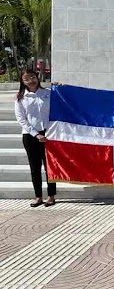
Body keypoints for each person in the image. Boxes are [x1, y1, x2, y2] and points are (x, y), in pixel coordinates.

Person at [14, 70, 56, 207]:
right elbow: (21, 119)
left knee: (49, 166)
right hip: (30, 135)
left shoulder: (49, 93)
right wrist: (36, 134)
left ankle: (51, 196)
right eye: (27, 79)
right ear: (23, 82)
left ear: (37, 78)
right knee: (35, 167)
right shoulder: (21, 98)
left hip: (48, 134)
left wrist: (60, 88)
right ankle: (38, 196)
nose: (31, 80)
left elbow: (62, 105)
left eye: (32, 77)